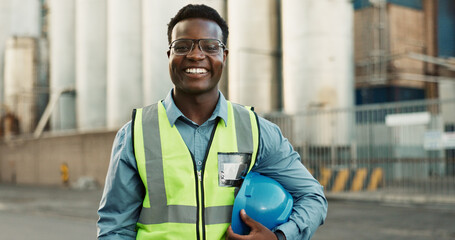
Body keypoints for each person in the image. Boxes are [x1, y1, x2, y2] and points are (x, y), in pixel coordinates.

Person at [97, 4, 327, 240]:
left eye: (210, 47)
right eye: (182, 46)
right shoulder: (136, 134)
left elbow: (312, 196)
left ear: (223, 56)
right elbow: (115, 228)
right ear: (169, 56)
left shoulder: (257, 131)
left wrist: (280, 237)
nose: (196, 55)